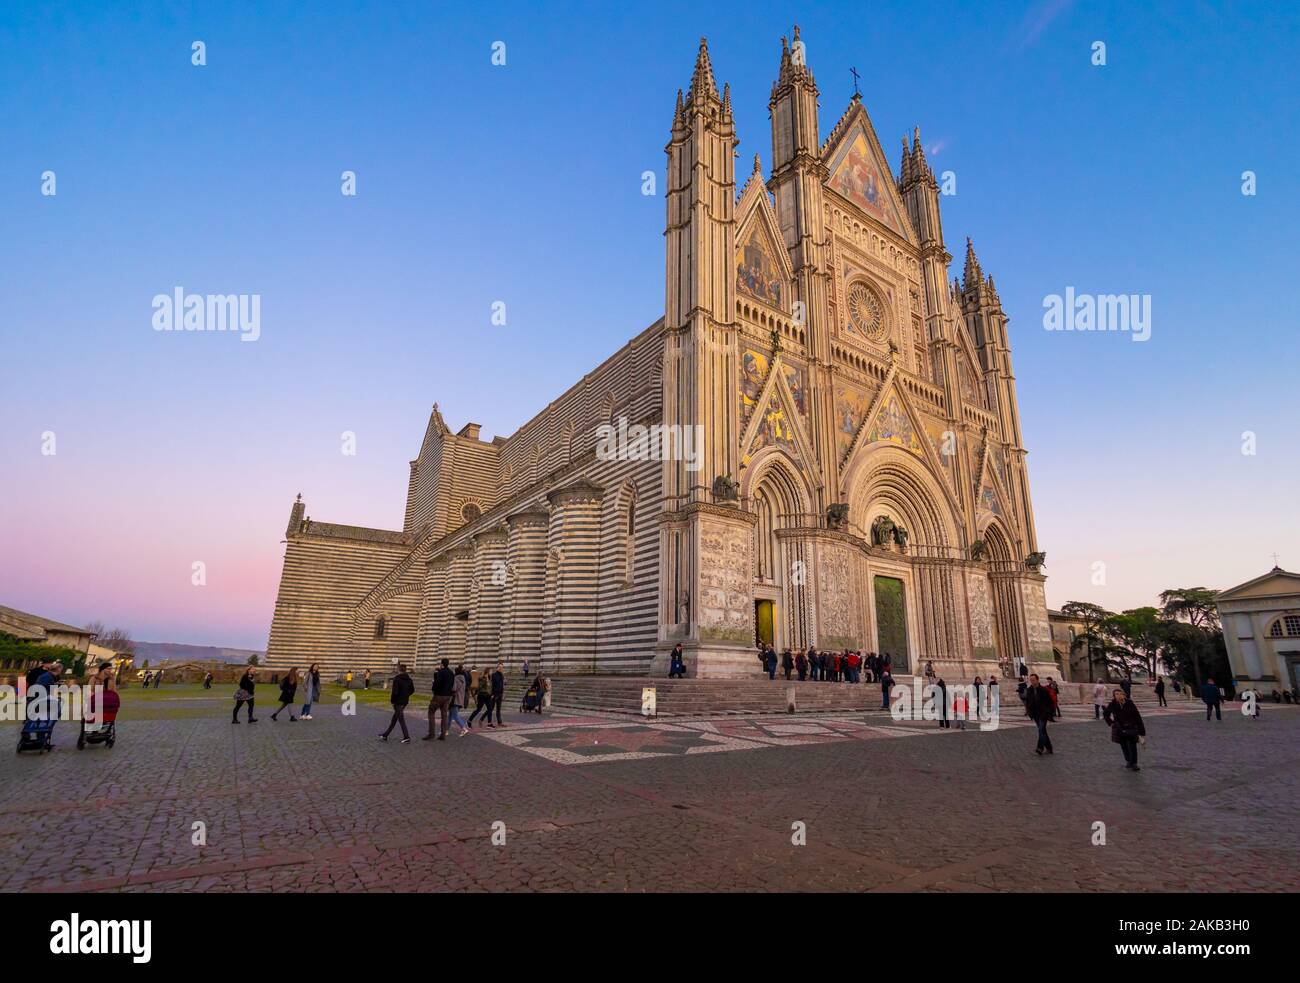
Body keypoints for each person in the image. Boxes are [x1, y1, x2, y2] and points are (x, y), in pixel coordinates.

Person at [1103, 687, 1146, 771]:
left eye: (1120, 694)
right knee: (1124, 746)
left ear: (1123, 695)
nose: (1118, 696)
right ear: (1114, 696)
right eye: (1116, 694)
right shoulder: (1113, 704)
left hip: (1131, 727)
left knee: (1132, 746)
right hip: (1120, 728)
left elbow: (1137, 716)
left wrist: (1141, 731)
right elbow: (1106, 714)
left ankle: (1134, 763)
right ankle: (1128, 761)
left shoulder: (1129, 703)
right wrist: (1111, 723)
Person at [380, 663, 414, 743]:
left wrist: (392, 701)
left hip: (398, 702)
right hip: (405, 701)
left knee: (401, 719)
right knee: (394, 719)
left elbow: (394, 692)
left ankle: (407, 737)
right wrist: (406, 695)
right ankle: (385, 735)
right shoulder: (409, 679)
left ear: (399, 670)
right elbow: (412, 690)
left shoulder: (397, 679)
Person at [1024, 674, 1055, 755]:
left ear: (1037, 680)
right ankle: (1049, 748)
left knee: (1041, 729)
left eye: (1033, 680)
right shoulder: (1029, 690)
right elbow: (1028, 702)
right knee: (1043, 731)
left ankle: (1040, 748)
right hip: (1035, 714)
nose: (1032, 682)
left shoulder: (1043, 690)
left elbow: (1050, 702)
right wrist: (1029, 711)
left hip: (1043, 714)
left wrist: (1048, 713)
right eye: (1031, 680)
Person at [425, 658, 455, 741]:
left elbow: (437, 683)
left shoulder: (441, 672)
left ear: (442, 664)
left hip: (439, 695)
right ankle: (443, 734)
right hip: (447, 696)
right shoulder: (451, 673)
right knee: (444, 715)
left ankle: (431, 734)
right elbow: (452, 684)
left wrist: (433, 687)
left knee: (431, 712)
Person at [489, 663, 506, 727]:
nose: (501, 669)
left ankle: (499, 722)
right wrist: (492, 694)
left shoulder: (502, 675)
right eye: (500, 667)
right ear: (497, 668)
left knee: (498, 709)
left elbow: (502, 685)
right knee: (491, 708)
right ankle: (488, 721)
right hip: (495, 694)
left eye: (502, 667)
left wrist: (503, 693)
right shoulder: (493, 675)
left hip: (500, 694)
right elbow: (492, 685)